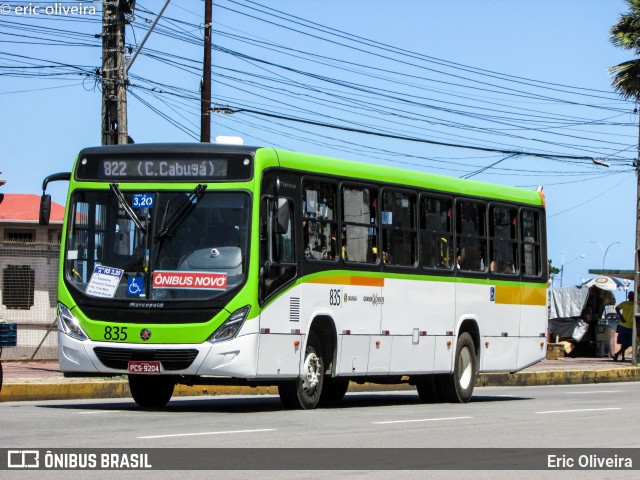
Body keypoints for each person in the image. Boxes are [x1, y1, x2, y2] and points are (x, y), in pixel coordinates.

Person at [613, 291, 635, 362]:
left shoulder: (624, 303)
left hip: (622, 325)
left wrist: (621, 317)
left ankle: (622, 356)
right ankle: (617, 354)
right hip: (630, 327)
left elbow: (617, 308)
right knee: (629, 343)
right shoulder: (636, 305)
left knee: (623, 343)